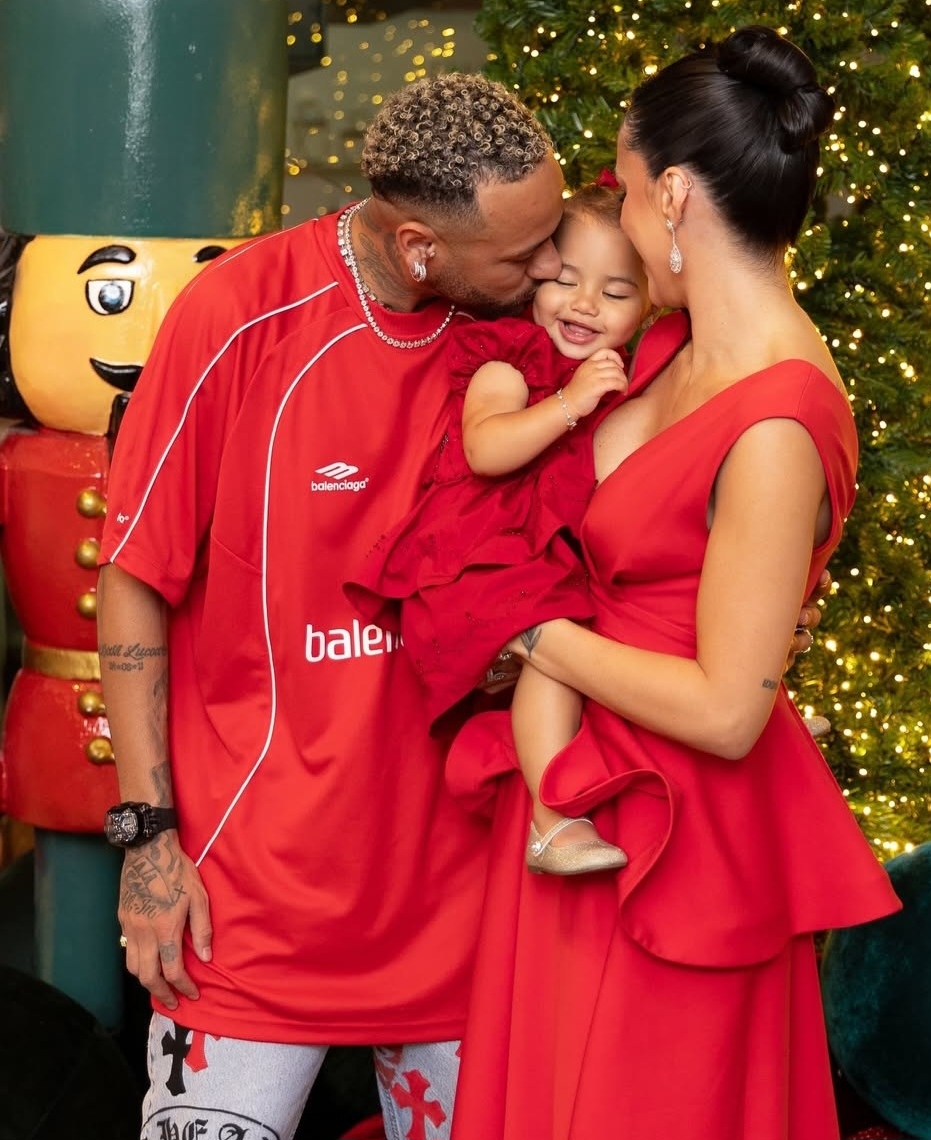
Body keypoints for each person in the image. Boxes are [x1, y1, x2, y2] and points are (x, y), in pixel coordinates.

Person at [97, 70, 822, 1140]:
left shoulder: (550, 337)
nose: (555, 273)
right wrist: (147, 838)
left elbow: (670, 500)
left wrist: (763, 598)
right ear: (420, 249)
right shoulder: (239, 316)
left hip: (471, 915)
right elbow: (131, 577)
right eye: (529, 258)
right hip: (254, 914)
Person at [446, 28, 902, 1140]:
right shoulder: (663, 343)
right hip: (573, 807)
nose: (615, 211)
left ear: (678, 194)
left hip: (675, 844)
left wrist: (528, 630)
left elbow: (728, 710)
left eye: (624, 184)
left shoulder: (779, 419)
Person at [351, 183, 648, 876]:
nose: (584, 304)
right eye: (566, 281)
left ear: (648, 305)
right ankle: (552, 817)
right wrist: (570, 403)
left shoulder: (630, 376)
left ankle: (743, 724)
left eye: (615, 292)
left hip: (551, 557)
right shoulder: (509, 356)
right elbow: (485, 448)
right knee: (557, 646)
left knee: (630, 613)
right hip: (481, 558)